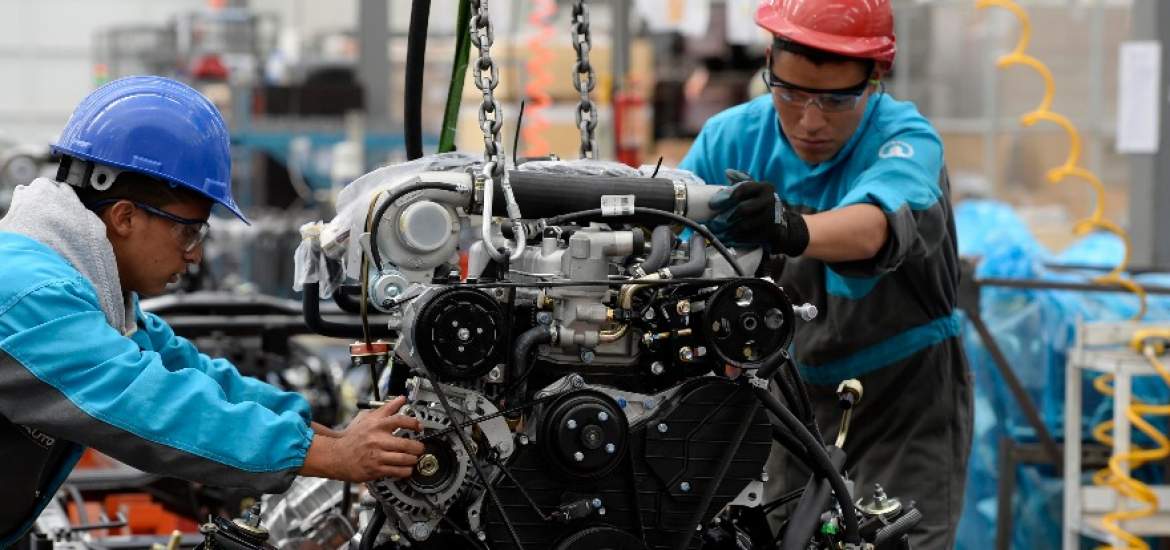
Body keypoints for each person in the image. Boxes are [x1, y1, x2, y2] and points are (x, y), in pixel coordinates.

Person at [0, 76, 424, 546]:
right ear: (124, 217)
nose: (196, 255)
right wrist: (329, 455)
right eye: (189, 232)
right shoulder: (27, 294)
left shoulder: (86, 289)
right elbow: (150, 405)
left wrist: (327, 434)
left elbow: (183, 370)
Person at [681, 1, 972, 547]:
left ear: (875, 78)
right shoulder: (731, 139)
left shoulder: (906, 140)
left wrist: (790, 226)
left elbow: (873, 228)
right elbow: (674, 245)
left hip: (902, 403)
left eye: (837, 100)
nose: (810, 121)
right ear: (768, 62)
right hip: (780, 402)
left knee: (894, 538)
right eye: (789, 93)